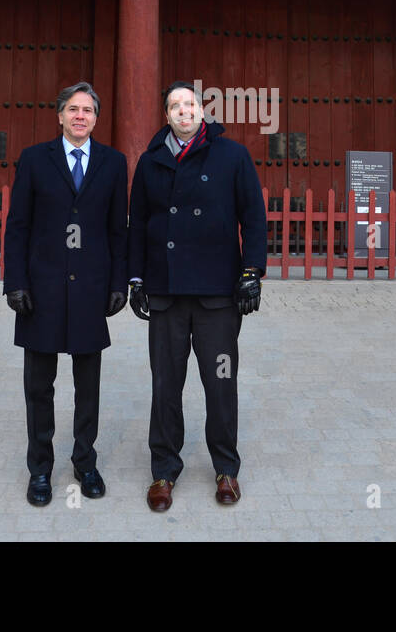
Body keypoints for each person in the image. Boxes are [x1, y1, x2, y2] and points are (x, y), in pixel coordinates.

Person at [127, 80, 267, 512]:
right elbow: (139, 223)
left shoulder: (232, 155)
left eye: (190, 103)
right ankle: (164, 471)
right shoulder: (151, 161)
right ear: (166, 115)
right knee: (165, 385)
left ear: (201, 110)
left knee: (220, 384)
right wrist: (135, 279)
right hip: (166, 292)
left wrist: (251, 272)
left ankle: (226, 468)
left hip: (217, 295)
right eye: (174, 105)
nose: (183, 111)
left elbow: (254, 216)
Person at [3, 81, 128, 507]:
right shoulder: (36, 160)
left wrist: (118, 283)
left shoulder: (114, 163)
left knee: (87, 385)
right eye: (73, 109)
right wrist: (15, 282)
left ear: (96, 118)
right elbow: (18, 225)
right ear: (59, 116)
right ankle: (40, 469)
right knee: (39, 386)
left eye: (88, 110)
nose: (80, 116)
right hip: (42, 290)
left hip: (91, 289)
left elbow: (117, 230)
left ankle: (84, 461)